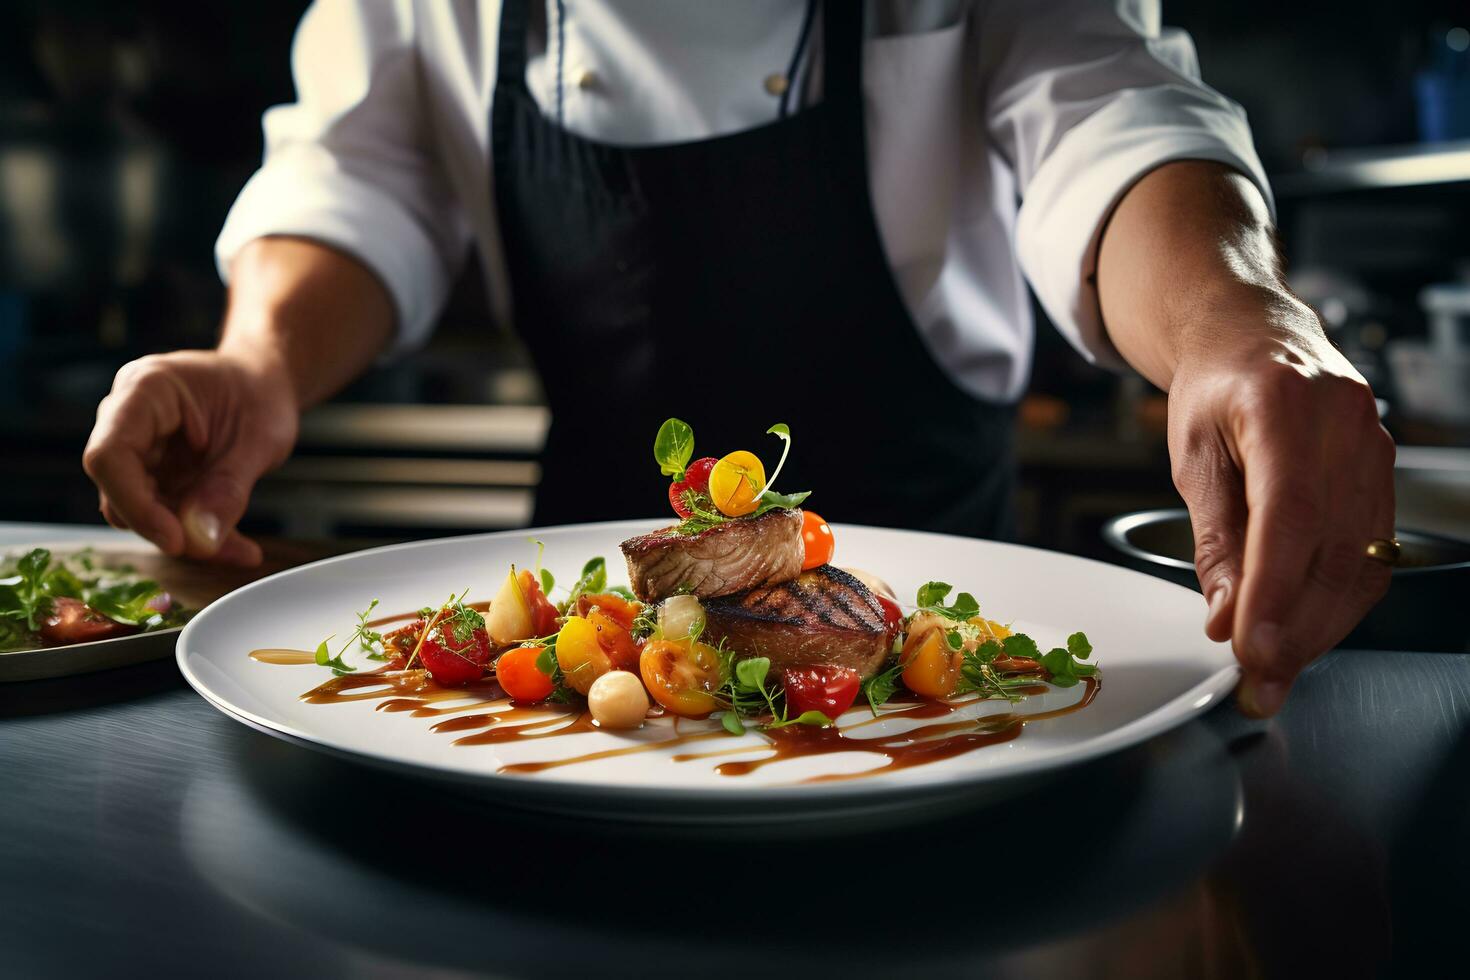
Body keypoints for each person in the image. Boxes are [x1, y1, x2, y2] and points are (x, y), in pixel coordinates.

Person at [81, 0, 1396, 718]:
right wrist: (255, 361)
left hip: (934, 593)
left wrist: (1234, 324)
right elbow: (353, 183)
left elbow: (1112, 119)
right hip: (601, 645)